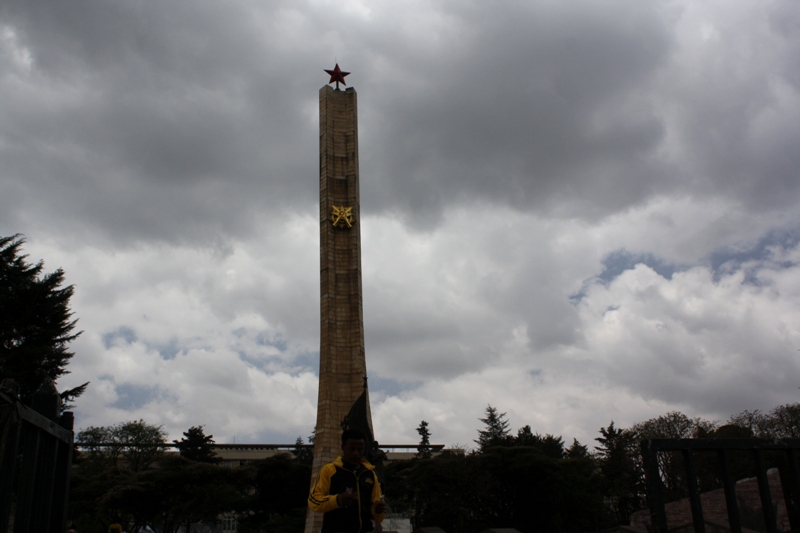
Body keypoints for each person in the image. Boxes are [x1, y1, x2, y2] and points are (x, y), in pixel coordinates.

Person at [308, 429, 386, 533]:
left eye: (360, 449)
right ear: (343, 448)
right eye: (352, 449)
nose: (356, 454)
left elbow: (377, 514)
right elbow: (314, 501)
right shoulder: (329, 471)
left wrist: (378, 510)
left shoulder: (370, 474)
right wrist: (337, 500)